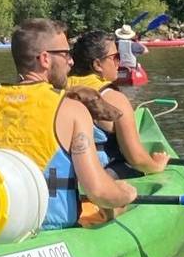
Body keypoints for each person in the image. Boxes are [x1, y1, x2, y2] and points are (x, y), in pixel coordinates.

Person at [0, 19, 137, 229]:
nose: (71, 62)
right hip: (49, 230)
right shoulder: (71, 110)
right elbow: (98, 191)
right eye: (65, 54)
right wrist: (126, 194)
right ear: (44, 59)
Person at [68, 31, 170, 177]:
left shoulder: (60, 89)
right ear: (97, 64)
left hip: (69, 171)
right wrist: (157, 166)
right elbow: (136, 158)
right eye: (115, 57)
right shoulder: (113, 98)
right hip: (101, 174)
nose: (120, 62)